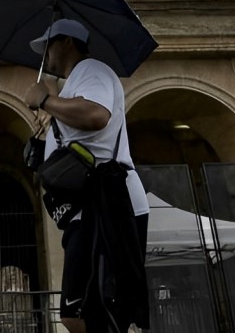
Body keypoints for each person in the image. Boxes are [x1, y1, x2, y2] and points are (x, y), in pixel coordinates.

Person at [22, 19, 149, 333]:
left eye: (48, 45)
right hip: (90, 208)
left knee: (90, 311)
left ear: (67, 42)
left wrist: (46, 100)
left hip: (105, 205)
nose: (44, 55)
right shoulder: (74, 84)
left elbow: (96, 115)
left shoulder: (92, 69)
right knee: (88, 311)